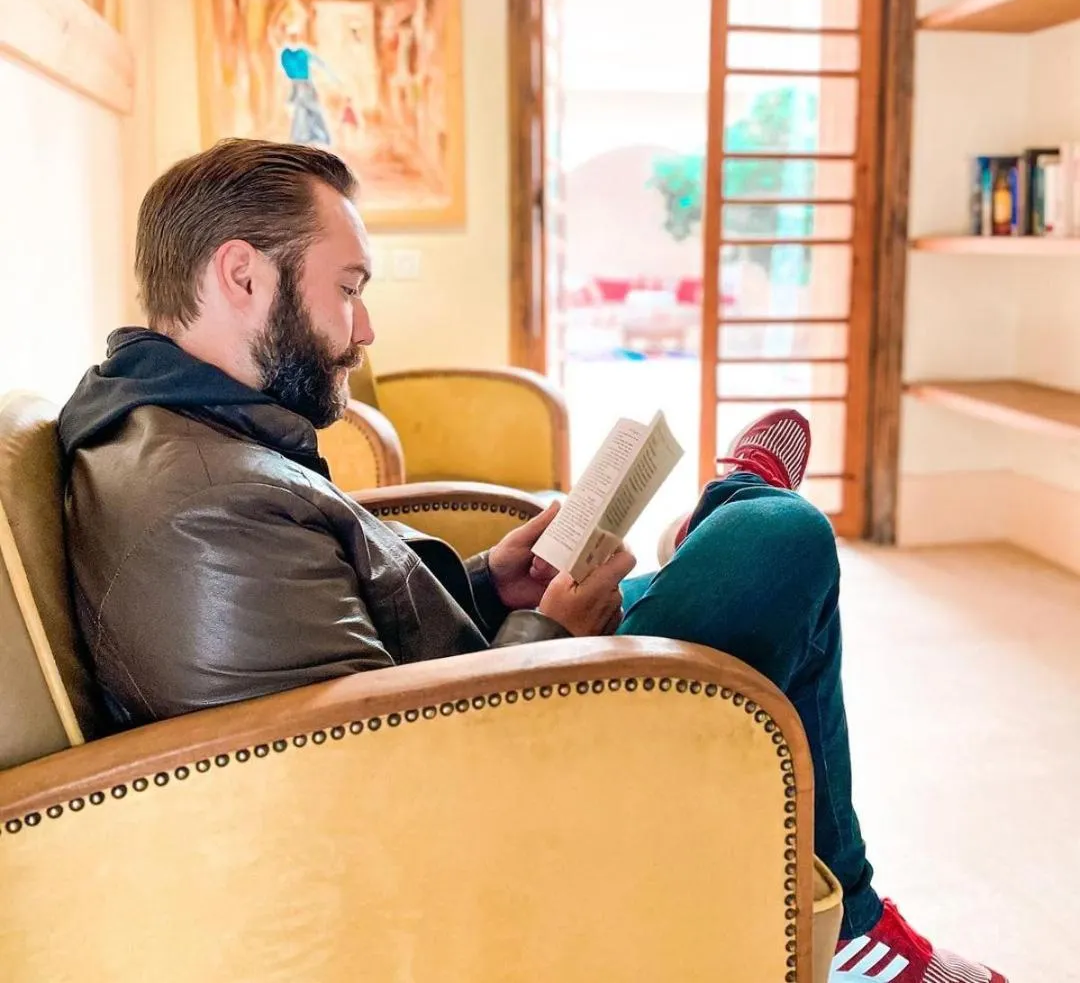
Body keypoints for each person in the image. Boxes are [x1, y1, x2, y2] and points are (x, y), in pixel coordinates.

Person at [60, 139, 1006, 983]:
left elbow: (334, 644)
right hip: (517, 782)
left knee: (728, 565)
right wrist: (550, 634)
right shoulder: (203, 503)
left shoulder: (186, 432)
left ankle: (856, 923)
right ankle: (737, 509)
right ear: (242, 274)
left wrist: (483, 583)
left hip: (482, 700)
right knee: (782, 542)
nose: (365, 328)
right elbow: (376, 779)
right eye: (347, 288)